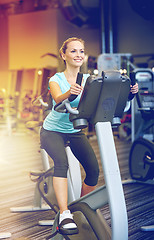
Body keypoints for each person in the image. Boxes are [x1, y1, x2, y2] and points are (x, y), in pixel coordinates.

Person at [40, 37, 138, 233]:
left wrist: (129, 94)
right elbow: (58, 98)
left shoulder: (88, 80)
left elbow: (106, 98)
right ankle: (65, 213)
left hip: (75, 131)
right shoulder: (55, 79)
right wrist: (69, 93)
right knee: (62, 164)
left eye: (81, 51)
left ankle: (81, 208)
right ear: (64, 55)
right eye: (74, 51)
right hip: (52, 131)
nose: (78, 55)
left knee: (93, 171)